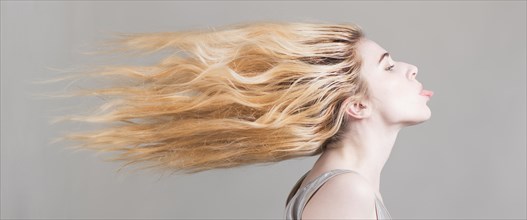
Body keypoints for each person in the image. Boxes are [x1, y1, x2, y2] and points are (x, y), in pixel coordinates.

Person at [47, 21, 432, 219]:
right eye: (389, 67)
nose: (411, 68)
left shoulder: (347, 185)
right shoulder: (348, 191)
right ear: (357, 106)